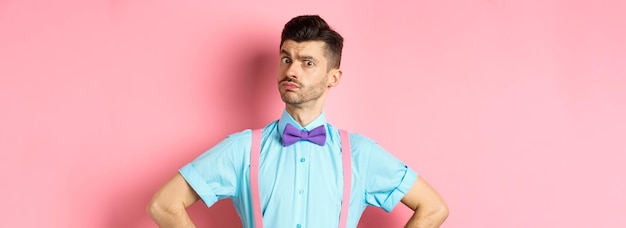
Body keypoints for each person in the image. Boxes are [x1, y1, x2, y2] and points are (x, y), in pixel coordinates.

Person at [147, 15, 449, 228]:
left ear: (333, 77)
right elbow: (164, 205)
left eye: (307, 63)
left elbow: (434, 209)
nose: (291, 71)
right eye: (286, 58)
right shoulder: (242, 149)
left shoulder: (360, 154)